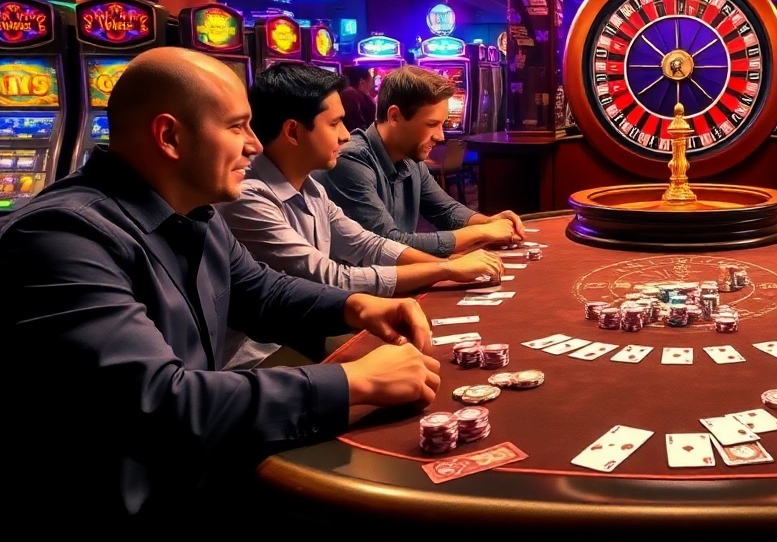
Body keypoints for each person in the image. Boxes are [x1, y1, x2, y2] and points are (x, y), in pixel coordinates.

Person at [1, 48, 440, 529]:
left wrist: (359, 306)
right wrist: (354, 381)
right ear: (169, 136)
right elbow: (160, 402)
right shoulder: (59, 238)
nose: (255, 145)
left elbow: (263, 292)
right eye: (237, 127)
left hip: (192, 471)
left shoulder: (195, 210)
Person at [219, 63, 504, 369]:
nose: (345, 135)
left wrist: (449, 266)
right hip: (259, 356)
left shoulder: (310, 186)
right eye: (335, 124)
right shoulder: (248, 196)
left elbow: (368, 244)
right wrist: (445, 268)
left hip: (308, 329)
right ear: (292, 131)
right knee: (409, 367)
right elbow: (330, 278)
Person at [318, 65, 523, 257]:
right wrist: (481, 232)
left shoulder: (410, 158)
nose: (441, 136)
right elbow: (388, 245)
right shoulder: (350, 160)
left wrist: (490, 222)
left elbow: (446, 211)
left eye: (442, 124)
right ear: (395, 117)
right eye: (432, 124)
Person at [339, 65, 377, 133]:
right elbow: (356, 126)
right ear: (362, 81)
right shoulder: (350, 96)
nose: (372, 86)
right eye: (371, 82)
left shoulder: (350, 94)